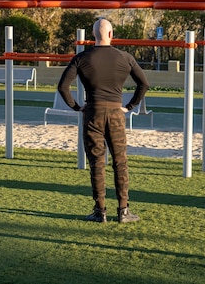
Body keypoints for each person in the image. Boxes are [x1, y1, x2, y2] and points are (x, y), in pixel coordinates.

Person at [57, 18, 149, 223]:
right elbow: (143, 84)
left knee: (97, 163)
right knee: (120, 162)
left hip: (92, 112)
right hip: (116, 113)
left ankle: (100, 211)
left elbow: (63, 86)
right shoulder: (125, 57)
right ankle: (123, 210)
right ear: (111, 34)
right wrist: (129, 106)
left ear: (93, 35)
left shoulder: (81, 58)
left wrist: (76, 106)